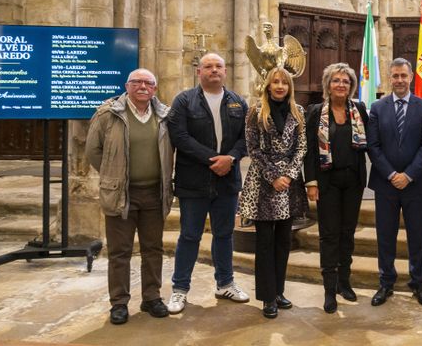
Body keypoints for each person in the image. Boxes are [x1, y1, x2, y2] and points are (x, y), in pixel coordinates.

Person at [85, 68, 174, 325]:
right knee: (120, 251)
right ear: (127, 86)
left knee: (153, 249)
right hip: (121, 194)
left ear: (154, 89)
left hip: (154, 194)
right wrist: (115, 175)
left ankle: (151, 297)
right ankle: (119, 302)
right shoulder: (108, 114)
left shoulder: (164, 115)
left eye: (148, 83)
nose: (142, 86)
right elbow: (93, 151)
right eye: (137, 82)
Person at [166, 53, 250, 314]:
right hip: (194, 182)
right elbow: (178, 136)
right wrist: (214, 159)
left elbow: (247, 138)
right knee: (190, 235)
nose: (214, 70)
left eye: (219, 66)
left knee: (224, 235)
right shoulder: (184, 100)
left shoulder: (238, 102)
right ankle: (180, 289)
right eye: (208, 66)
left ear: (225, 71)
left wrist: (232, 157)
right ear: (198, 72)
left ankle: (225, 283)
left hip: (227, 183)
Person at [238, 67, 307, 319]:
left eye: (284, 83)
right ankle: (267, 297)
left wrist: (288, 175)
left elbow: (301, 148)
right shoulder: (256, 112)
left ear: (289, 88)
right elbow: (253, 149)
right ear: (268, 85)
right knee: (265, 244)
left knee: (283, 242)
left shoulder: (298, 112)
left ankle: (279, 291)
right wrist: (273, 176)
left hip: (288, 186)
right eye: (275, 82)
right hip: (263, 185)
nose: (280, 86)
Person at [367, 58, 422, 307]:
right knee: (386, 236)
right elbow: (372, 146)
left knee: (418, 236)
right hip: (385, 184)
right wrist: (391, 174)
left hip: (416, 184)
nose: (399, 80)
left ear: (411, 78)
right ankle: (386, 282)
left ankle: (418, 283)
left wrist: (408, 175)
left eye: (403, 76)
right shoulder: (377, 107)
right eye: (395, 76)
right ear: (389, 77)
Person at [304, 63, 369, 313]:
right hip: (326, 183)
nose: (340, 84)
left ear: (351, 86)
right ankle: (329, 290)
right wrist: (310, 182)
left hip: (353, 182)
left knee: (347, 233)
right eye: (336, 80)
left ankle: (345, 282)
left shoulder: (359, 109)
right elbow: (309, 150)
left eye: (345, 81)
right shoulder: (316, 112)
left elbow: (371, 141)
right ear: (327, 85)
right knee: (329, 235)